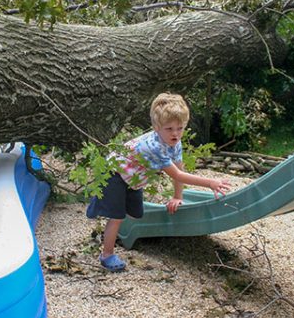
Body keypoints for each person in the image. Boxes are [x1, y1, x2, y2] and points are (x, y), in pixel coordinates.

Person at [86, 92, 231, 272]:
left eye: (180, 128)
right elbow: (177, 175)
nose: (176, 133)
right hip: (115, 173)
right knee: (117, 216)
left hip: (133, 178)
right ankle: (107, 255)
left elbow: (179, 166)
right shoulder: (154, 147)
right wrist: (210, 182)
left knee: (135, 213)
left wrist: (178, 196)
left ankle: (115, 225)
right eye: (169, 129)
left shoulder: (175, 142)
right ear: (156, 127)